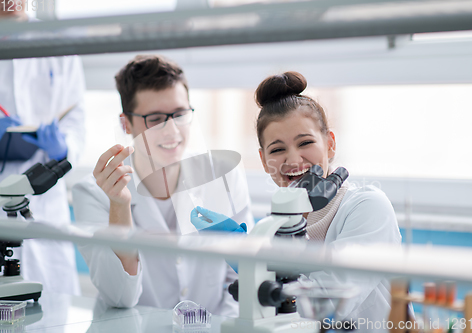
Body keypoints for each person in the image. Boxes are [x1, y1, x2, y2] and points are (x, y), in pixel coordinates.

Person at [191, 71, 402, 329]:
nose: (292, 160)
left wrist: (255, 269)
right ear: (263, 160)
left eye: (305, 143)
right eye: (278, 149)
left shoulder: (367, 207)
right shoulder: (280, 222)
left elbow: (327, 304)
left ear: (330, 144)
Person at [72, 55, 254, 315]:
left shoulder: (223, 175)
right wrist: (119, 207)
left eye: (180, 114)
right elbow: (119, 296)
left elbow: (240, 279)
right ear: (126, 123)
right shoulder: (93, 193)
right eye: (155, 119)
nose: (172, 131)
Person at [0, 3, 86, 295]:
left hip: (46, 191)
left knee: (52, 307)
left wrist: (63, 148)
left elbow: (75, 116)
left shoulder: (55, 41)